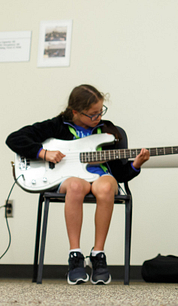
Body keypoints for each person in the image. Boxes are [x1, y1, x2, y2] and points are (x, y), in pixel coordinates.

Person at [6, 84, 149, 285]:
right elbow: (14, 139)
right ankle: (75, 256)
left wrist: (136, 164)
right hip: (70, 180)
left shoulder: (108, 131)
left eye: (100, 112)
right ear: (75, 112)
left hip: (101, 177)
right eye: (92, 114)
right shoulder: (57, 125)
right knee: (76, 186)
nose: (98, 117)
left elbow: (120, 173)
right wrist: (43, 153)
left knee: (107, 186)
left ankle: (98, 255)